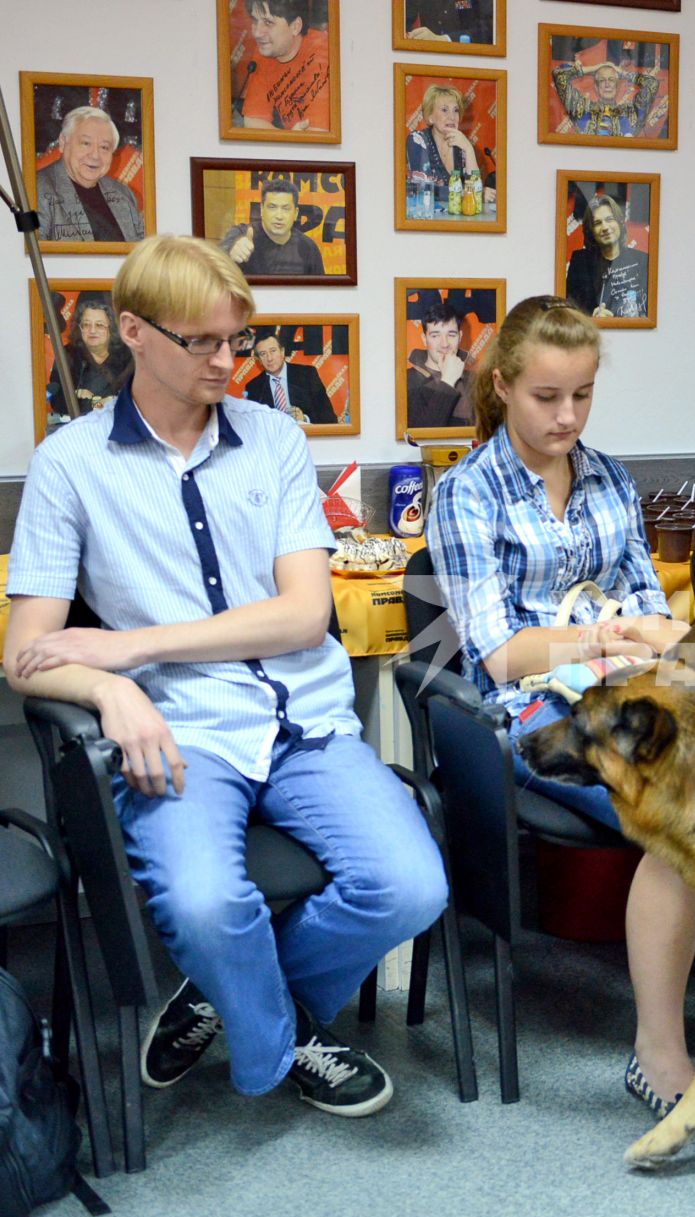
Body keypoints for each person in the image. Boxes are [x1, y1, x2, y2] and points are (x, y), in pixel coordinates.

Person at [3, 235, 447, 1116]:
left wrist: (128, 649)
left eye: (235, 341)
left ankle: (234, 999)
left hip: (307, 724)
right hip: (184, 733)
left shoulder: (275, 439)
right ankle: (283, 1037)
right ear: (132, 331)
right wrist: (109, 691)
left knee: (411, 887)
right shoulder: (71, 464)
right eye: (201, 341)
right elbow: (26, 649)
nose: (225, 360)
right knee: (206, 908)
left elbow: (302, 616)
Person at [429, 295, 695, 1123]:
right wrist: (599, 641)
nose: (567, 415)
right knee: (690, 812)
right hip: (531, 717)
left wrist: (635, 637)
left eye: (581, 395)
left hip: (630, 692)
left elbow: (662, 619)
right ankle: (661, 1052)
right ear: (503, 385)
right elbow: (498, 653)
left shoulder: (608, 477)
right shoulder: (466, 494)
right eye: (547, 397)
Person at [34, 105, 145, 244]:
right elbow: (31, 253)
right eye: (86, 143)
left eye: (104, 147)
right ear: (63, 142)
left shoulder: (123, 194)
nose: (95, 155)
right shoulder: (37, 188)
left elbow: (142, 253)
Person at [238, 0, 332, 134]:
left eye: (268, 22)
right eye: (254, 20)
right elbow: (253, 120)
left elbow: (318, 134)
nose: (257, 33)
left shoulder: (324, 52)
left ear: (295, 26)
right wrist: (288, 137)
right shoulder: (266, 51)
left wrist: (288, 139)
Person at [45, 293, 133, 419]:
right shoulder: (68, 354)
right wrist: (75, 396)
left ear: (111, 328)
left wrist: (114, 401)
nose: (92, 331)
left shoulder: (128, 355)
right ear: (79, 327)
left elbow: (141, 399)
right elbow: (56, 400)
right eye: (86, 325)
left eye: (99, 325)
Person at [404, 84, 487, 216]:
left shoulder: (462, 144)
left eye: (456, 110)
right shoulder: (417, 140)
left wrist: (468, 149)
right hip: (425, 222)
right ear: (430, 116)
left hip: (457, 222)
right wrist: (471, 193)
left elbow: (474, 191)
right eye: (444, 110)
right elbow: (425, 190)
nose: (452, 117)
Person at [564, 195, 650, 320]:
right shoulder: (580, 262)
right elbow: (570, 311)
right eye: (597, 223)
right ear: (591, 230)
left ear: (620, 223)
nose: (605, 227)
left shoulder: (642, 261)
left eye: (610, 219)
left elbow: (649, 310)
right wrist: (590, 319)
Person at [220, 179, 326, 277]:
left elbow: (321, 291)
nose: (279, 216)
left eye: (286, 209)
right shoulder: (242, 234)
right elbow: (215, 258)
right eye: (272, 207)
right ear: (261, 210)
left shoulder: (308, 247)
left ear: (295, 213)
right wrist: (230, 251)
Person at [550, 55, 664, 138]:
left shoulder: (631, 113)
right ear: (596, 86)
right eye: (602, 80)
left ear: (618, 85)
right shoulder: (582, 108)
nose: (607, 84)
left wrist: (622, 73)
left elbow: (652, 84)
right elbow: (559, 75)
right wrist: (593, 69)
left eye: (612, 80)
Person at [244, 328, 336, 425]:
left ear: (282, 352)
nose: (269, 358)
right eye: (263, 354)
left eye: (273, 351)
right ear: (258, 360)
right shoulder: (253, 387)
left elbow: (329, 418)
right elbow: (254, 425)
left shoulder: (307, 375)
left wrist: (304, 419)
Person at [406, 304, 474, 429]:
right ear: (424, 339)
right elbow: (422, 435)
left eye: (451, 335)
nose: (444, 344)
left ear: (460, 337)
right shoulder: (407, 380)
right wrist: (448, 380)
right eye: (435, 335)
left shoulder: (476, 381)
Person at [404, 0, 492, 45]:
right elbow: (403, 18)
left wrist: (445, 39)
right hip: (428, 58)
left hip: (471, 59)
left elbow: (490, 30)